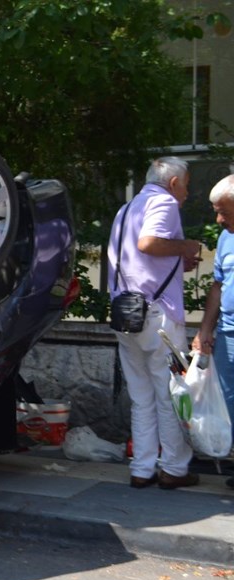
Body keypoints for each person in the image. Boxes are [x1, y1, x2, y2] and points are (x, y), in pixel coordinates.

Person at [107, 156, 203, 490]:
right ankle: (173, 468)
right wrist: (187, 246)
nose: (187, 193)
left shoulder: (126, 208)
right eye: (187, 185)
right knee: (170, 394)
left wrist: (177, 261)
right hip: (159, 317)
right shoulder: (164, 201)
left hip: (126, 314)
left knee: (141, 396)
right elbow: (148, 243)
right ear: (174, 182)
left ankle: (142, 468)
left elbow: (137, 258)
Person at [189, 174, 234, 489]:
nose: (218, 219)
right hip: (228, 334)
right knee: (229, 403)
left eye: (224, 212)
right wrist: (205, 329)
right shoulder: (225, 239)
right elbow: (217, 285)